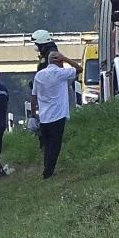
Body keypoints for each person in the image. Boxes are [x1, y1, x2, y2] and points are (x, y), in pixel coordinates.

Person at [31, 51, 81, 179]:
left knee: (47, 145)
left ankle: (47, 168)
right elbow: (79, 69)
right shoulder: (60, 73)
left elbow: (34, 96)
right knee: (55, 144)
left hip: (44, 117)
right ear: (58, 61)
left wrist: (33, 114)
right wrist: (65, 58)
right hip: (57, 115)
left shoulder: (39, 75)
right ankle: (48, 172)